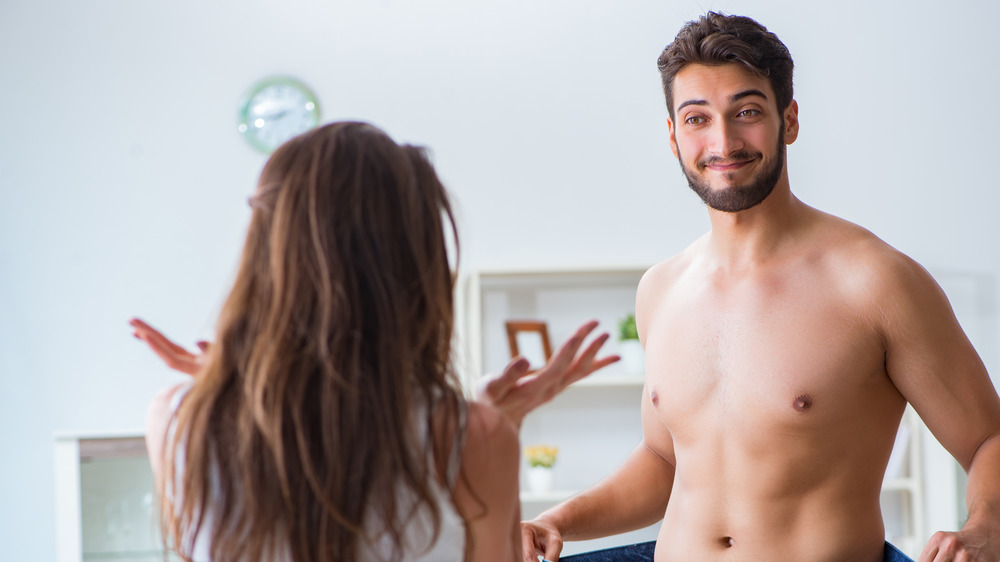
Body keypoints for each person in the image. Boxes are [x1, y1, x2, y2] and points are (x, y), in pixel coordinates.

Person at [520, 12, 1000, 562]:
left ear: (788, 121)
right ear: (674, 137)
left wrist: (986, 526)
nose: (723, 141)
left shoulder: (874, 281)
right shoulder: (661, 289)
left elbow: (988, 439)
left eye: (746, 112)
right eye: (697, 119)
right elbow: (663, 460)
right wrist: (554, 521)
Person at [134, 121, 619, 562]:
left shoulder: (176, 420)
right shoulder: (473, 438)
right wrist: (495, 427)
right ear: (414, 268)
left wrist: (234, 383)